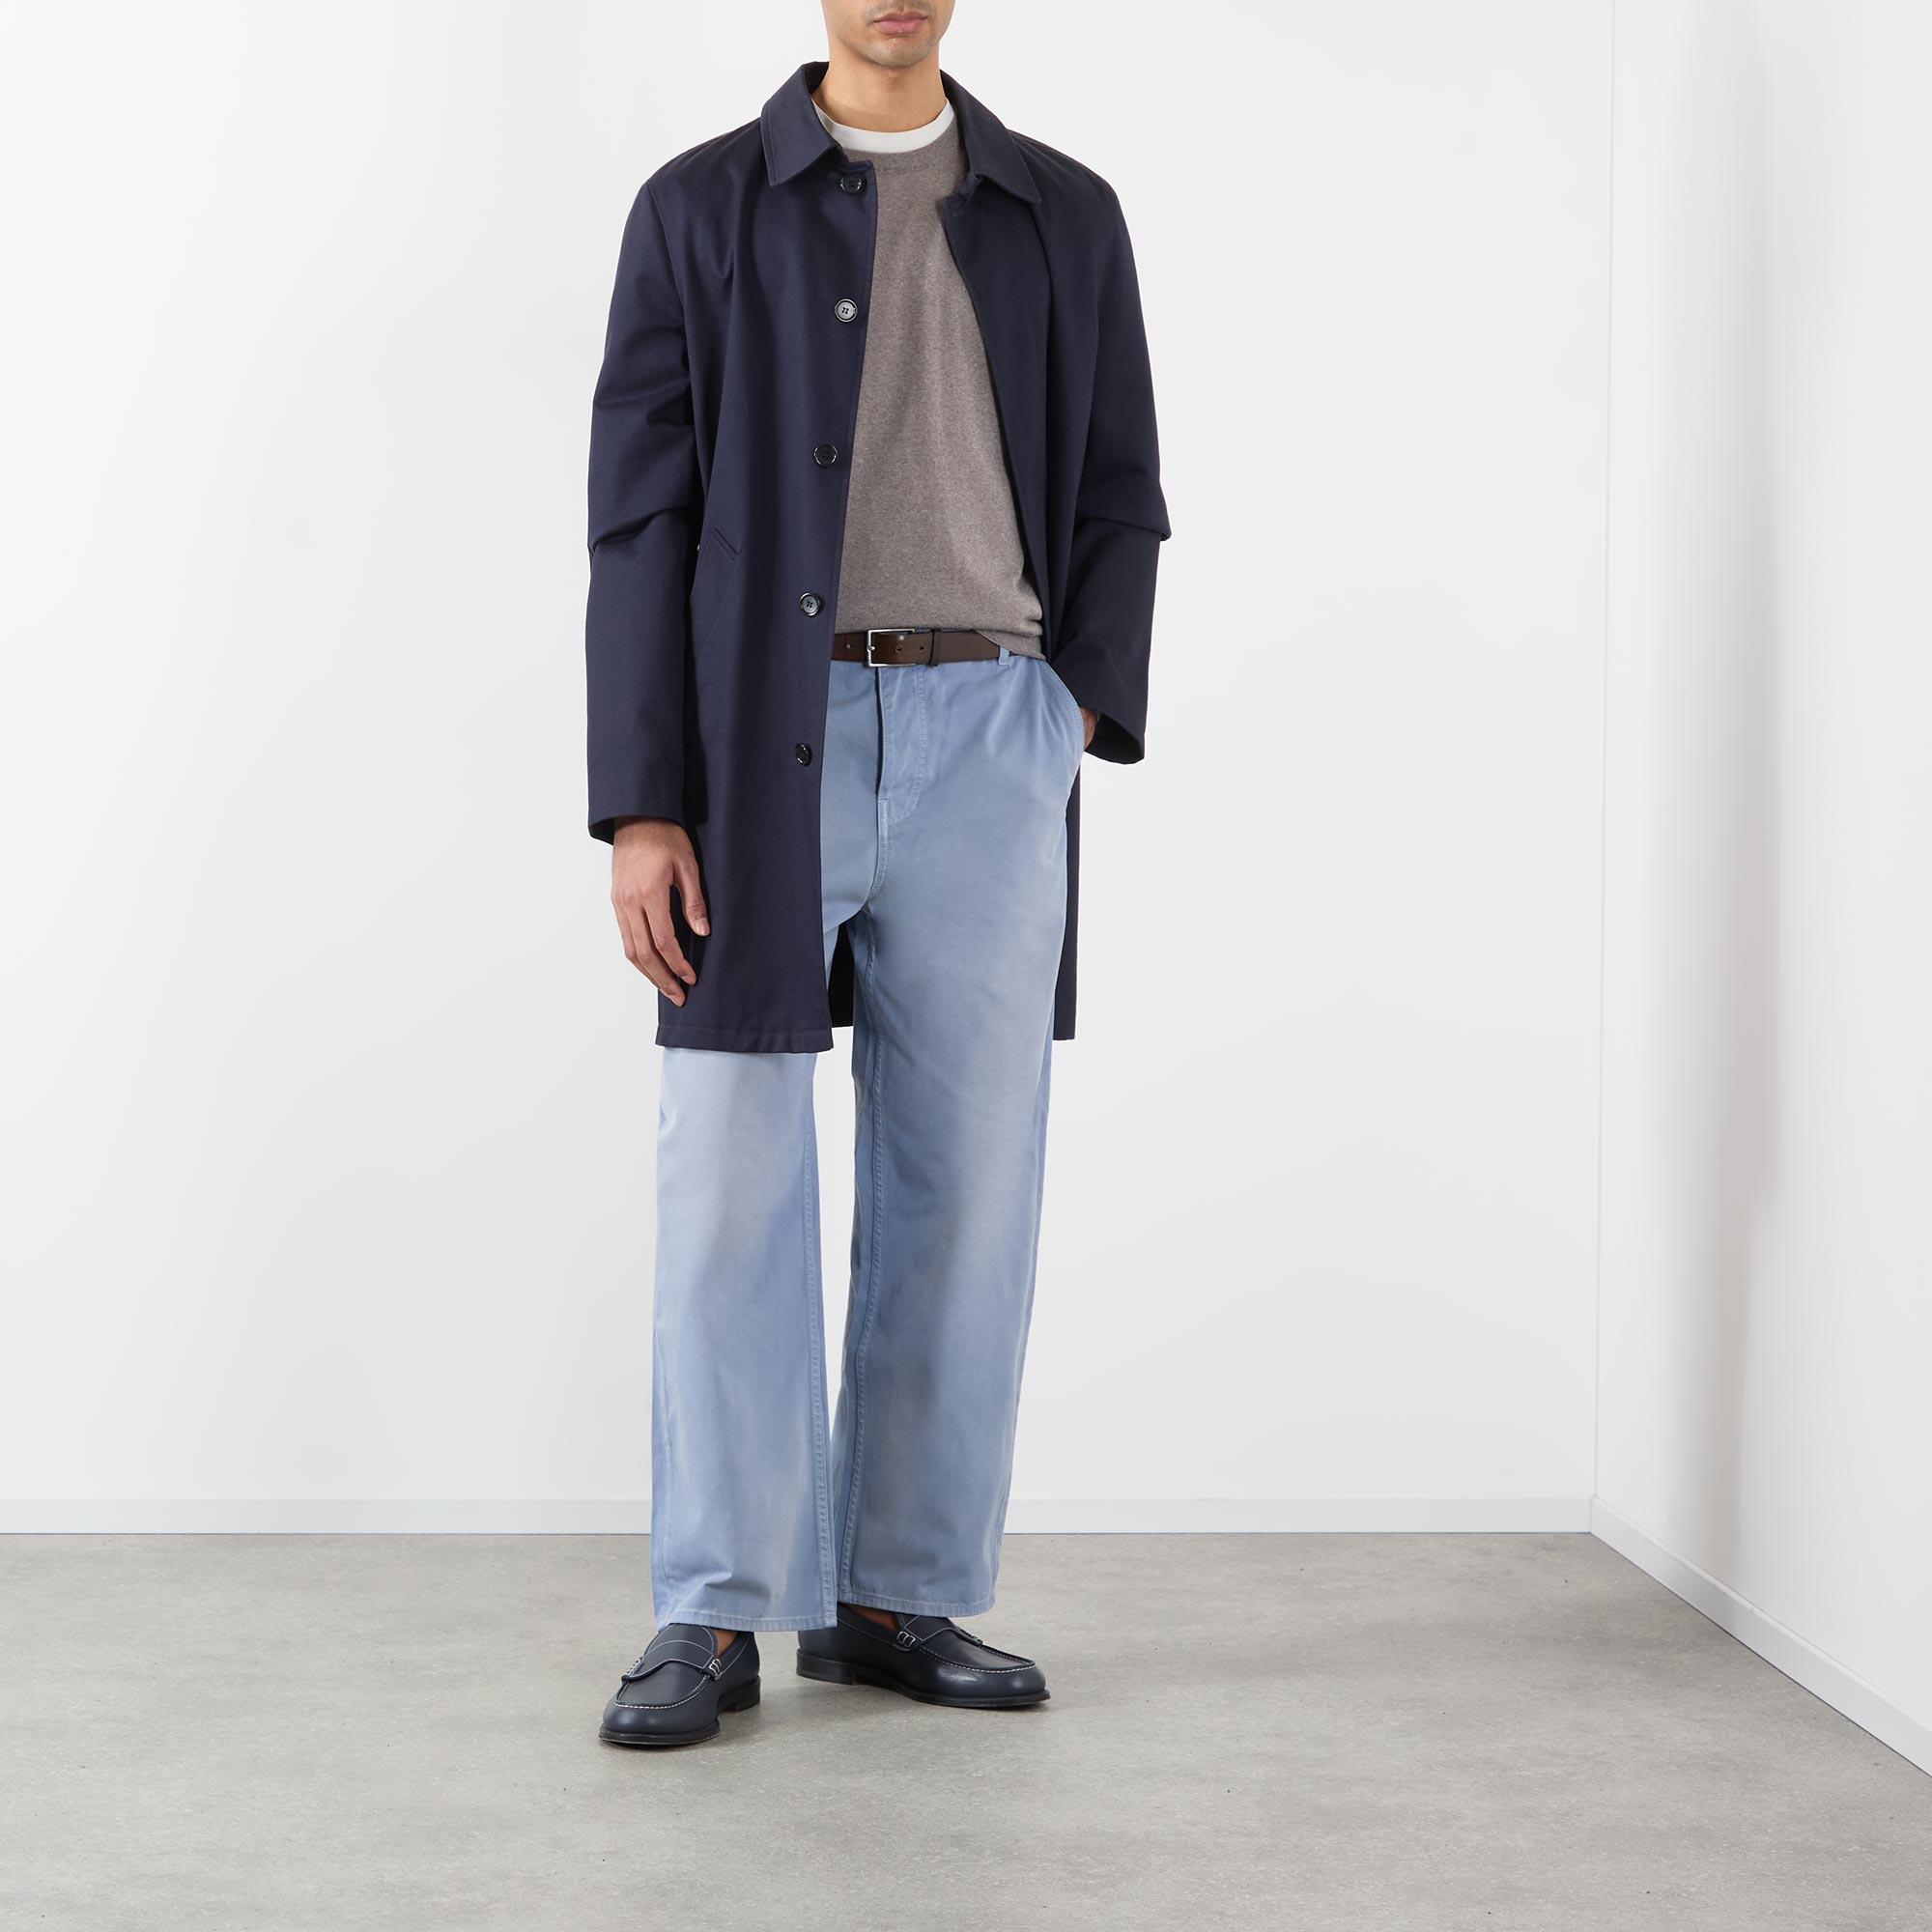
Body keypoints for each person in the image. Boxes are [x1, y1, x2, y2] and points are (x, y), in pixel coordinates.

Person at [587, 0, 1167, 1748]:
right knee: (729, 1174)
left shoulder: (1064, 212)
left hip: (995, 730)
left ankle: (897, 1592)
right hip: (760, 740)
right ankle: (715, 1607)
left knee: (967, 1181)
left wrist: (1070, 712)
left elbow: (1121, 492)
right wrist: (643, 803)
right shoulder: (700, 208)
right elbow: (640, 519)